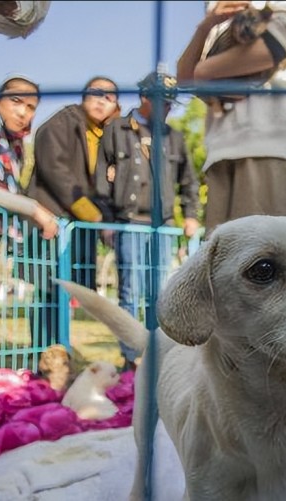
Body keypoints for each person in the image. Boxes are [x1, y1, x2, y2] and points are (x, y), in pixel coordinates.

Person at [177, 1, 286, 235]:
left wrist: (203, 73)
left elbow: (270, 50)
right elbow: (185, 79)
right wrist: (206, 27)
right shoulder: (221, 19)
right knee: (225, 264)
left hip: (273, 149)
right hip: (222, 153)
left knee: (273, 257)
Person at [99, 70, 200, 369]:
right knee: (129, 290)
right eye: (162, 102)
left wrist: (191, 215)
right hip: (128, 222)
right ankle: (131, 358)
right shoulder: (117, 129)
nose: (166, 109)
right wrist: (106, 220)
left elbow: (190, 182)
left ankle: (158, 356)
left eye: (170, 104)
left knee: (159, 292)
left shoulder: (175, 137)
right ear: (145, 97)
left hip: (163, 225)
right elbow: (101, 181)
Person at [27, 75, 121, 342]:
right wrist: (93, 216)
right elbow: (56, 171)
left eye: (110, 97)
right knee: (47, 289)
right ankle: (43, 351)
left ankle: (60, 349)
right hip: (52, 220)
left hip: (78, 226)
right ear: (83, 96)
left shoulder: (105, 134)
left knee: (69, 291)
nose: (102, 101)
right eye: (96, 93)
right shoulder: (63, 122)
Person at [0, 75, 57, 240]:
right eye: (16, 101)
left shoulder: (15, 144)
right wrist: (34, 209)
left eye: (31, 107)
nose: (23, 112)